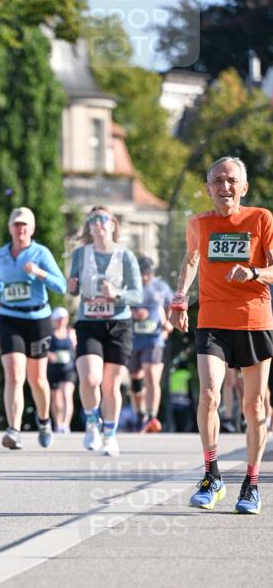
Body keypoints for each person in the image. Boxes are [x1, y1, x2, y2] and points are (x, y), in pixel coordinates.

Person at [169, 156, 273, 515]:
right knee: (210, 394)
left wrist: (256, 273)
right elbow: (191, 259)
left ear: (243, 187)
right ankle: (212, 476)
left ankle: (252, 484)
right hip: (212, 319)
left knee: (253, 405)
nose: (224, 187)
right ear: (208, 187)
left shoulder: (261, 219)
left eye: (231, 180)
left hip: (254, 320)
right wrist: (180, 299)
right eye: (217, 181)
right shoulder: (199, 222)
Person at [0, 207, 66, 450]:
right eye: (16, 224)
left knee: (37, 379)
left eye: (25, 224)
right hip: (10, 318)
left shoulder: (41, 253)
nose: (20, 229)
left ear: (32, 228)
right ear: (10, 228)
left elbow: (61, 286)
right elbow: (7, 284)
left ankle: (44, 421)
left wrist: (39, 273)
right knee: (14, 374)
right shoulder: (2, 254)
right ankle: (13, 430)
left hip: (38, 319)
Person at [67, 206, 143, 457]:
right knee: (90, 379)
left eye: (103, 218)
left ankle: (110, 435)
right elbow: (74, 290)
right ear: (89, 226)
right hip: (89, 323)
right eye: (93, 219)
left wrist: (117, 294)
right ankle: (92, 422)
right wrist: (72, 286)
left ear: (112, 224)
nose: (98, 223)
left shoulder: (126, 256)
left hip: (118, 325)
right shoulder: (80, 254)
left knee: (111, 385)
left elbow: (137, 294)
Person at [128, 257, 173, 433]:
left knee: (152, 375)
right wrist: (134, 313)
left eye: (148, 274)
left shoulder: (160, 286)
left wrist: (169, 322)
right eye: (142, 274)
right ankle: (139, 415)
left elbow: (173, 304)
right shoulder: (129, 285)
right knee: (136, 379)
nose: (145, 277)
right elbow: (118, 305)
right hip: (133, 339)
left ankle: (152, 416)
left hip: (154, 338)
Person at [48, 306, 76, 433]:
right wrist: (50, 355)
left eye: (63, 318)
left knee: (66, 395)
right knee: (56, 399)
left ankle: (66, 424)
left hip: (68, 369)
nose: (60, 321)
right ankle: (58, 423)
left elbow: (77, 348)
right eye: (58, 319)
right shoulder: (50, 335)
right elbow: (44, 351)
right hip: (54, 370)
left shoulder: (71, 333)